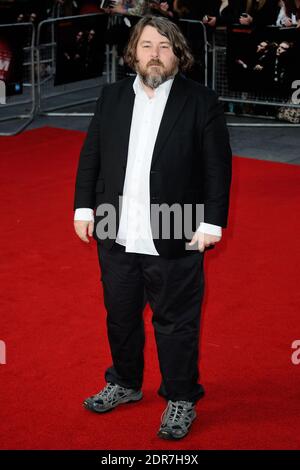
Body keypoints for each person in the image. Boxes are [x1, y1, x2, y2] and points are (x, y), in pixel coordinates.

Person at [73, 15, 232, 440]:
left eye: (165, 46)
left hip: (176, 226)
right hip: (115, 226)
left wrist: (212, 221)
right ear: (133, 53)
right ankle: (124, 383)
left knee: (176, 321)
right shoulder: (110, 97)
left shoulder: (200, 100)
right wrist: (83, 210)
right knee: (120, 317)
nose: (155, 54)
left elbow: (218, 168)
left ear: (178, 54)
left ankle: (181, 397)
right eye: (146, 45)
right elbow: (92, 156)